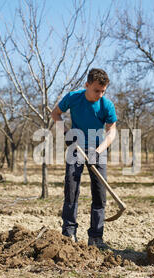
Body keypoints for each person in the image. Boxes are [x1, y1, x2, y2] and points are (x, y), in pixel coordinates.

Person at [51, 68, 117, 249]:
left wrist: (99, 150)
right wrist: (66, 133)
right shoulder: (73, 97)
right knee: (71, 190)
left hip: (98, 149)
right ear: (87, 85)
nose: (100, 94)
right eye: (96, 90)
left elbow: (112, 131)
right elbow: (55, 114)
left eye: (103, 91)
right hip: (76, 147)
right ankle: (69, 234)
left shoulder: (106, 105)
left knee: (100, 193)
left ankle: (96, 237)